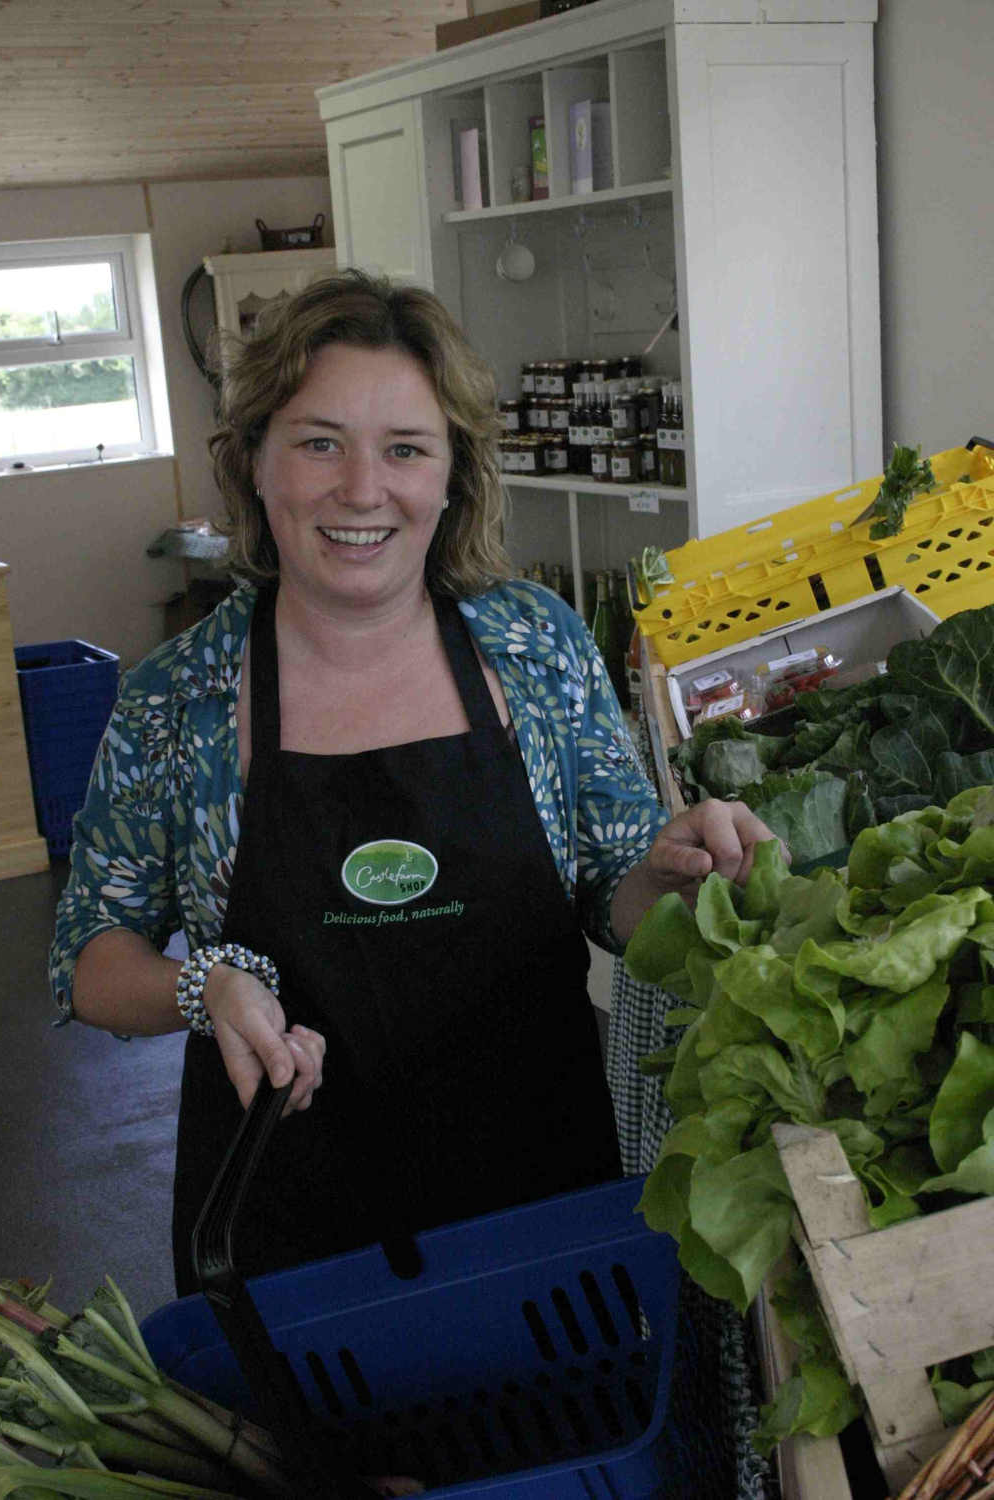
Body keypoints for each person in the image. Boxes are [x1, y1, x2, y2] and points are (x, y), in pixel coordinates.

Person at [51, 268, 780, 1303]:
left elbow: (615, 894)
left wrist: (668, 874)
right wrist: (201, 984)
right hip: (291, 1238)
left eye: (404, 449)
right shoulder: (182, 698)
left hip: (537, 1204)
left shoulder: (532, 646)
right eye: (318, 442)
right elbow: (90, 956)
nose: (361, 489)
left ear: (452, 477)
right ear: (254, 461)